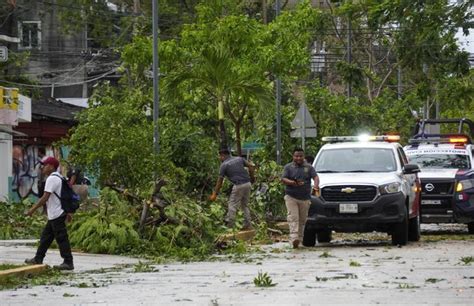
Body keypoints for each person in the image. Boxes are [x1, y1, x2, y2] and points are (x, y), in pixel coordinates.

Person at [25, 156, 74, 270]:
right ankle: (38, 258)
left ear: (51, 166)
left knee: (62, 239)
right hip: (56, 214)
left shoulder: (52, 179)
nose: (43, 167)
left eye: (45, 165)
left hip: (57, 214)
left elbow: (45, 197)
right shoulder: (59, 177)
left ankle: (68, 262)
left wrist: (32, 210)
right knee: (45, 238)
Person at [281, 148, 319, 249]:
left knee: (302, 220)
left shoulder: (309, 167)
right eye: (296, 156)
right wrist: (292, 183)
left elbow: (315, 177)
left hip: (305, 198)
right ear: (293, 157)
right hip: (291, 197)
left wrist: (316, 186)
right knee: (293, 218)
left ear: (303, 156)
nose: (298, 158)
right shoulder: (288, 167)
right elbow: (283, 179)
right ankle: (294, 238)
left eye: (300, 156)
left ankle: (299, 240)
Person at [210, 149, 255, 230]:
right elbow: (251, 166)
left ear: (222, 155)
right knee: (244, 205)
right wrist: (252, 178)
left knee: (232, 205)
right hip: (247, 184)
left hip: (238, 185)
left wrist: (214, 194)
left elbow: (220, 181)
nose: (219, 158)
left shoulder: (224, 165)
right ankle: (248, 225)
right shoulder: (239, 159)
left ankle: (230, 226)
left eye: (219, 156)